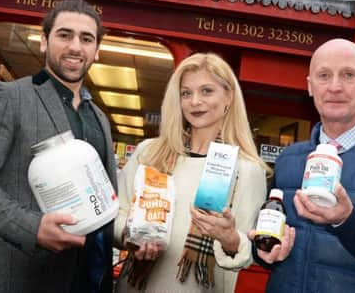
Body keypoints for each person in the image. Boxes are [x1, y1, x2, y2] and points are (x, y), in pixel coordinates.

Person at [0, 0, 118, 293]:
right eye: (64, 35)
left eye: (86, 39)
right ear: (44, 42)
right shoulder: (9, 97)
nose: (75, 47)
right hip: (12, 279)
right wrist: (33, 227)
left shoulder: (101, 120)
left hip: (83, 281)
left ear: (96, 51)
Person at [249, 38, 355, 292]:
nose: (335, 87)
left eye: (348, 75)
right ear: (310, 86)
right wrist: (263, 251)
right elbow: (269, 236)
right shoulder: (289, 159)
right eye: (324, 75)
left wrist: (348, 221)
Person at [115, 53, 270, 293]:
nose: (194, 101)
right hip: (134, 285)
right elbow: (118, 214)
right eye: (186, 93)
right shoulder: (150, 153)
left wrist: (230, 238)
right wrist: (130, 236)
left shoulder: (247, 170)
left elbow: (247, 251)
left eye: (206, 91)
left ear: (228, 97)